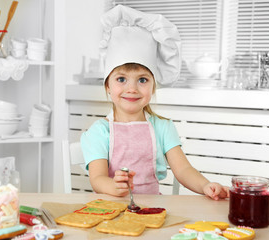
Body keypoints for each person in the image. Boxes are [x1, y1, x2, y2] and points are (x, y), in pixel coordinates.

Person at [81, 5, 229, 200]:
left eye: (142, 80)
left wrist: (205, 185)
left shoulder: (163, 127)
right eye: (121, 79)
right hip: (110, 212)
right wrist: (113, 186)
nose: (132, 89)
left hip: (151, 211)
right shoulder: (99, 131)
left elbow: (183, 169)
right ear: (107, 85)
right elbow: (97, 178)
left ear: (153, 86)